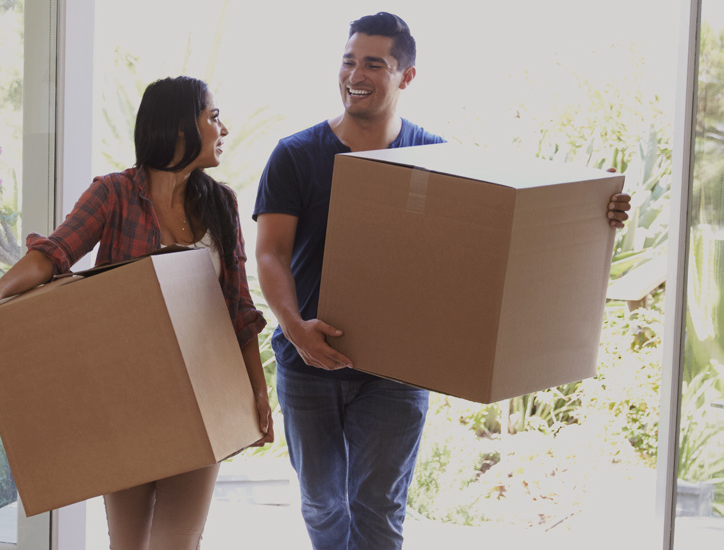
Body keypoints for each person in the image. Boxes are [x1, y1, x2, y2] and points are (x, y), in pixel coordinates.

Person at [252, 12, 634, 550]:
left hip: (397, 373)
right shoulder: (295, 155)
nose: (354, 74)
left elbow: (503, 233)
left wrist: (599, 212)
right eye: (348, 61)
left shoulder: (436, 159)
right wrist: (294, 329)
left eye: (373, 64)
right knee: (322, 502)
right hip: (307, 361)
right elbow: (270, 253)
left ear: (406, 77)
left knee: (378, 507)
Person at [0, 76, 269, 550]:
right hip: (126, 396)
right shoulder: (115, 194)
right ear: (180, 129)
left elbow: (239, 307)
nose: (223, 129)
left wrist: (258, 395)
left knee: (177, 544)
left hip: (203, 394)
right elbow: (54, 254)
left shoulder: (220, 203)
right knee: (127, 544)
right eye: (213, 117)